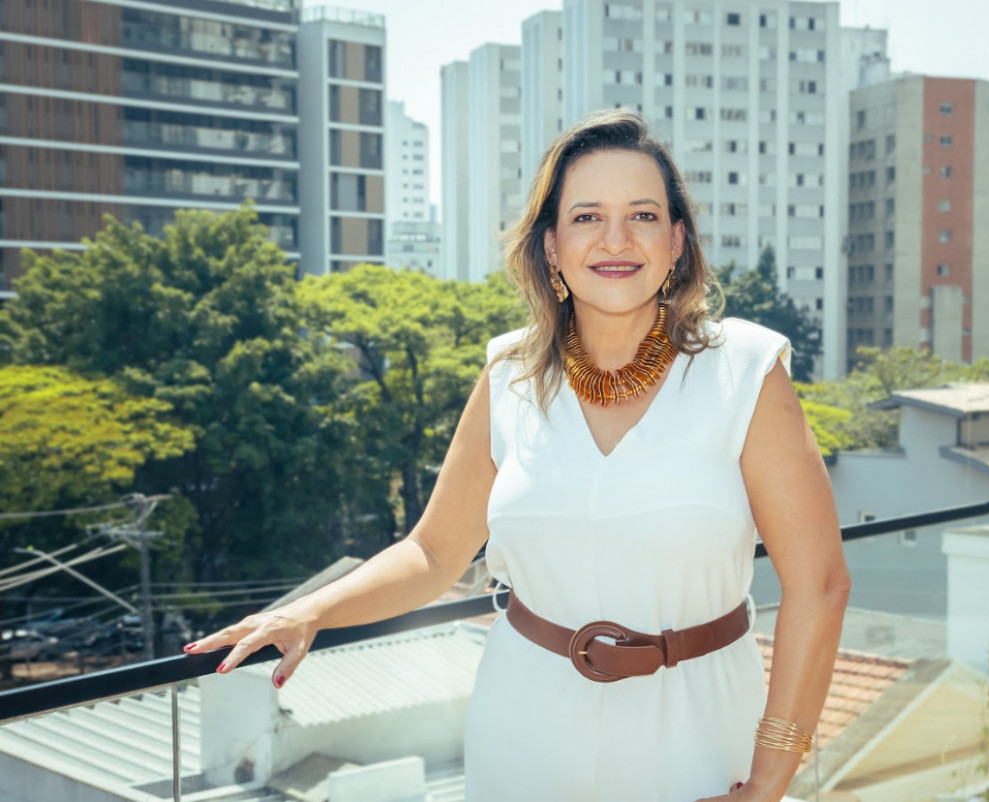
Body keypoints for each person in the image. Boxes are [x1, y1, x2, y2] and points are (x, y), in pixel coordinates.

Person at [186, 110, 850, 802]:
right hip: (525, 723)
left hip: (699, 730)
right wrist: (310, 612)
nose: (616, 239)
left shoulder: (745, 370)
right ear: (552, 246)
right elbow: (434, 553)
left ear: (677, 241)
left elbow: (821, 585)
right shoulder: (509, 373)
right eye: (587, 217)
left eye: (643, 215)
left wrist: (771, 776)